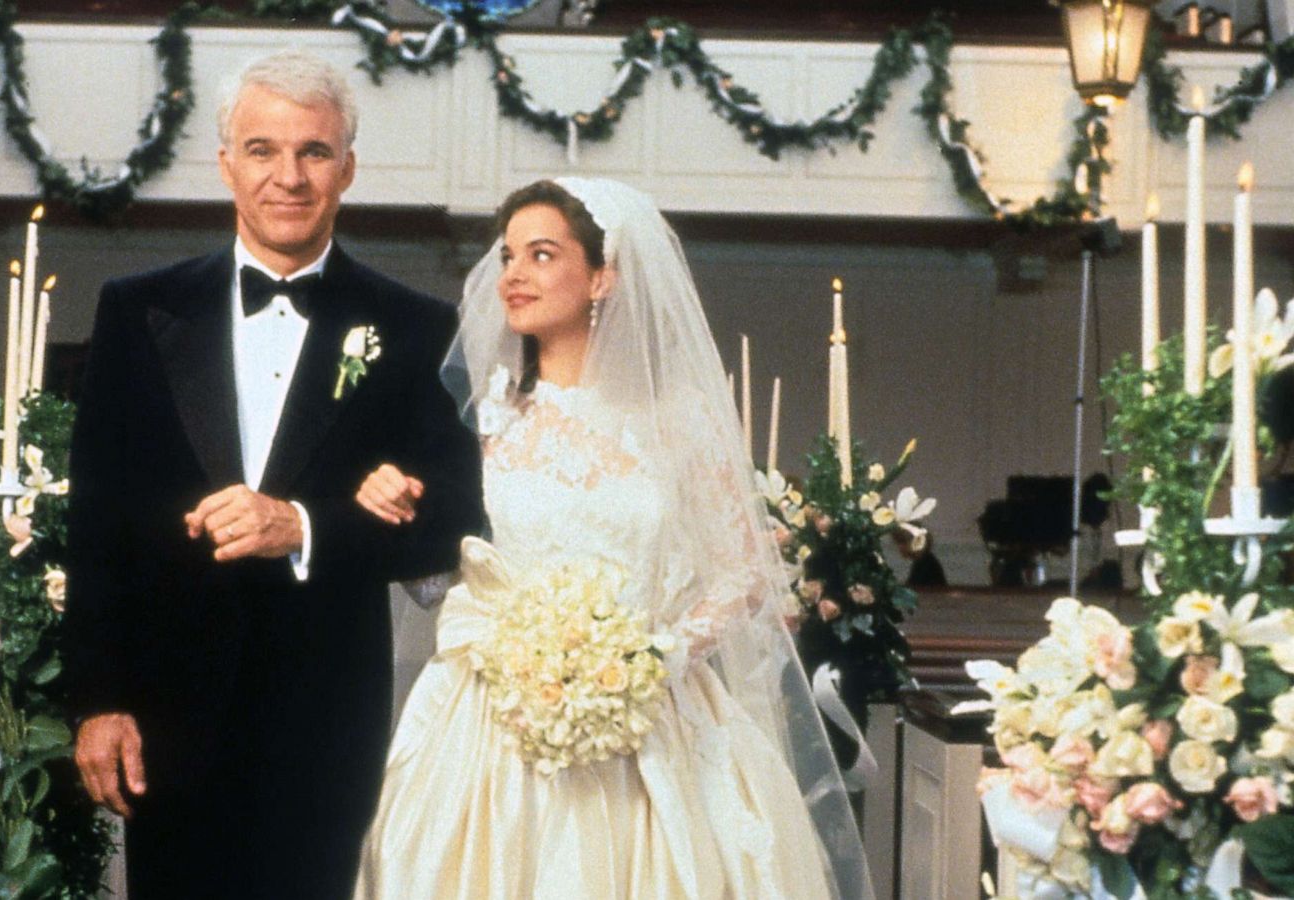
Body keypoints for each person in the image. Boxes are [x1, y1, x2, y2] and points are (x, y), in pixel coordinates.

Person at [351, 178, 873, 898]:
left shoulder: (678, 419)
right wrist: (397, 515)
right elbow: (439, 579)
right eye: (508, 257)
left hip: (653, 715)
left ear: (602, 277)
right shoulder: (481, 419)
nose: (513, 276)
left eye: (541, 255)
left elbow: (741, 574)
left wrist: (650, 661)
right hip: (493, 721)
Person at [61, 50, 484, 899]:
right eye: (262, 150)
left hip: (329, 720)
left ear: (348, 168)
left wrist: (306, 526)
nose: (288, 177)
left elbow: (456, 523)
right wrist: (98, 701)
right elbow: (98, 522)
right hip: (168, 720)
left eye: (314, 152)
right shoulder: (137, 309)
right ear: (226, 165)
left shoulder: (417, 328)